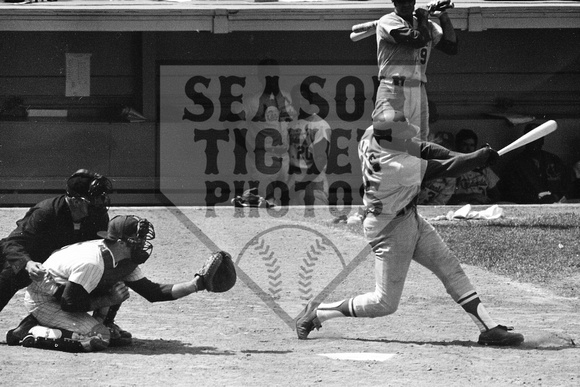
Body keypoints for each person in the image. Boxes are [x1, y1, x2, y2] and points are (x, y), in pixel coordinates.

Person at [295, 120, 525, 346]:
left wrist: (475, 157)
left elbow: (424, 148)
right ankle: (319, 312)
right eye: (402, 137)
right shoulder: (396, 167)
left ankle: (488, 328)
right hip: (389, 229)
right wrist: (476, 159)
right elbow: (447, 168)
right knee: (384, 303)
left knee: (450, 267)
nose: (408, 140)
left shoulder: (372, 134)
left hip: (406, 216)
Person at [7, 214, 233, 352]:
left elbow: (153, 292)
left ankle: (64, 324)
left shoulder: (123, 259)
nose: (143, 244)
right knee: (97, 339)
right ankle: (34, 331)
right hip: (46, 298)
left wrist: (197, 284)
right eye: (139, 239)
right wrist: (108, 299)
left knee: (114, 296)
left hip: (69, 292)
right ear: (123, 242)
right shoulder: (92, 263)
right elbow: (68, 302)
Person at [0, 169, 131, 344]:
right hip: (33, 261)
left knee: (112, 268)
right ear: (76, 201)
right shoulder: (46, 212)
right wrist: (28, 264)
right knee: (13, 274)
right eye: (94, 198)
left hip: (62, 268)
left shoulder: (97, 215)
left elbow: (105, 252)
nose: (100, 202)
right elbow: (12, 243)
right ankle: (30, 324)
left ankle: (106, 323)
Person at [372, 0, 457, 142]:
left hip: (418, 89)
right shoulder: (389, 20)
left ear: (414, 1)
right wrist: (424, 18)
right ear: (394, 2)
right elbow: (418, 40)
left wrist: (443, 16)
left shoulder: (426, 24)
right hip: (393, 87)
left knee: (420, 141)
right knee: (390, 139)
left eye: (408, 0)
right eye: (400, 1)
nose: (405, 4)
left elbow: (451, 47)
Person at [244, 58, 293, 207]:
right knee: (264, 199)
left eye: (275, 75)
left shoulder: (287, 97)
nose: (272, 79)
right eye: (267, 75)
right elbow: (230, 124)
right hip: (264, 156)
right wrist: (248, 147)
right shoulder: (252, 101)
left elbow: (292, 125)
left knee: (282, 199)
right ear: (260, 77)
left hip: (284, 155)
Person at [500, 122, 569, 204]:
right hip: (529, 205)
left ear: (542, 140)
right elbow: (510, 192)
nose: (534, 141)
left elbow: (567, 184)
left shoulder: (554, 159)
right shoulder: (515, 164)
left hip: (557, 204)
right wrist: (536, 197)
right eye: (531, 139)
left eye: (538, 138)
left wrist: (555, 196)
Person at [286, 85, 332, 207]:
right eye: (296, 99)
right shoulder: (291, 124)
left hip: (313, 183)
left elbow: (321, 159)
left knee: (316, 222)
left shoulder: (320, 125)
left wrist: (302, 183)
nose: (299, 102)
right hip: (294, 183)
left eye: (303, 98)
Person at [447, 129, 501, 205]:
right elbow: (448, 199)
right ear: (458, 146)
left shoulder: (483, 168)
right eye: (465, 145)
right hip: (463, 208)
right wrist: (472, 196)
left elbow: (495, 194)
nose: (468, 149)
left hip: (483, 207)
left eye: (471, 145)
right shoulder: (452, 168)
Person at [417, 131, 456, 205]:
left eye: (446, 147)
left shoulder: (450, 175)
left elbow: (441, 200)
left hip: (429, 209)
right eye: (440, 145)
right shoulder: (421, 164)